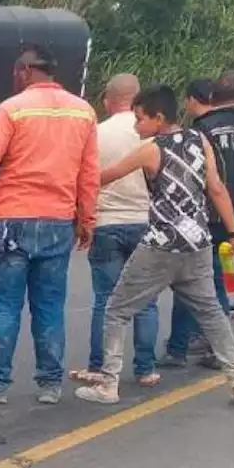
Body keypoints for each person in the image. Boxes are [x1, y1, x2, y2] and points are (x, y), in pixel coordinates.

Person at [74, 85, 234, 407]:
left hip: (160, 246)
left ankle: (108, 384)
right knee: (213, 314)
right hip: (198, 243)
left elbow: (108, 176)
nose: (136, 126)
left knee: (116, 309)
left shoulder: (151, 148)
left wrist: (70, 179)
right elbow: (216, 189)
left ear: (158, 118)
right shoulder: (200, 140)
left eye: (140, 119)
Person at [0, 43, 99, 406]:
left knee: (6, 306)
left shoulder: (12, 108)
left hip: (10, 220)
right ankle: (50, 385)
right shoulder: (83, 112)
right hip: (57, 222)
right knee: (49, 306)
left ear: (24, 71)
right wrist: (86, 220)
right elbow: (89, 174)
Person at [68, 74, 161, 388]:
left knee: (106, 300)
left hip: (107, 223)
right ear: (137, 99)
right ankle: (146, 369)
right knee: (146, 300)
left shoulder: (96, 133)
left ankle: (100, 366)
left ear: (108, 99)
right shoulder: (152, 134)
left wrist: (83, 221)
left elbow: (85, 180)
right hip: (145, 222)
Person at [168, 72, 234, 357]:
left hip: (207, 215)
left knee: (193, 278)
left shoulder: (202, 128)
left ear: (212, 96)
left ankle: (200, 345)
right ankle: (198, 342)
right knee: (209, 278)